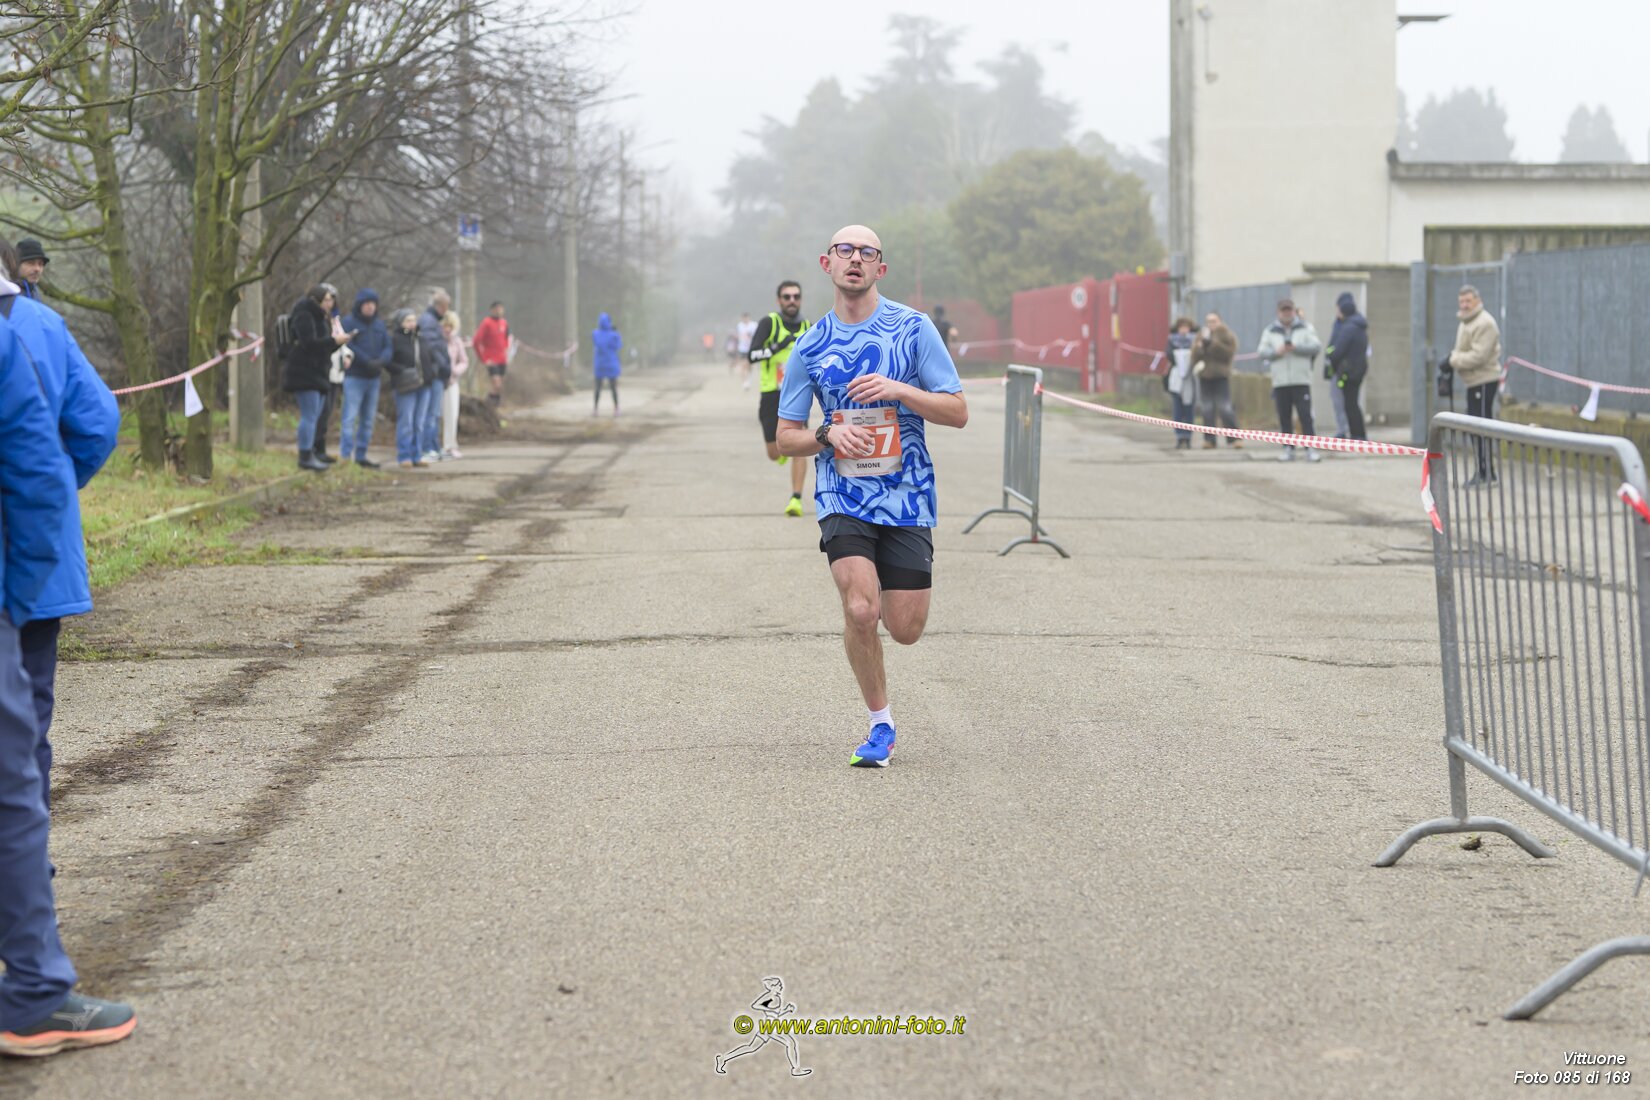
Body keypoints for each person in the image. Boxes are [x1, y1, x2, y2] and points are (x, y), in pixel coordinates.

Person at [774, 225, 967, 769]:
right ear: (827, 263)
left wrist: (899, 389)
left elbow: (957, 410)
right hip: (842, 493)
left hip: (907, 495)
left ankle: (885, 587)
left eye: (867, 253)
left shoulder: (913, 328)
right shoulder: (810, 345)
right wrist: (827, 434)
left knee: (904, 628)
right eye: (845, 251)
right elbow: (785, 437)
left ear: (880, 268)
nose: (854, 259)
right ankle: (880, 724)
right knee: (861, 608)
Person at [0, 303, 135, 1058]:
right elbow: (96, 423)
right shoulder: (39, 326)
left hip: (26, 569)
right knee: (20, 766)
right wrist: (49, 506)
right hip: (31, 574)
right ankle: (29, 945)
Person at [749, 281, 811, 516]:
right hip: (771, 394)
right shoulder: (769, 323)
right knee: (774, 453)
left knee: (799, 446)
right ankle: (781, 449)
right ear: (779, 300)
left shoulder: (808, 327)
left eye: (796, 296)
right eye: (787, 297)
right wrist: (777, 347)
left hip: (797, 394)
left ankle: (796, 499)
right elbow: (752, 355)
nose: (792, 301)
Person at [282, 284, 353, 471]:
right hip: (305, 372)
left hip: (319, 372)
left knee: (316, 416)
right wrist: (333, 340)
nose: (330, 304)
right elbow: (309, 343)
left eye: (332, 300)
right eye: (327, 299)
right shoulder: (304, 314)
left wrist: (338, 343)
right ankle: (305, 455)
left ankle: (312, 452)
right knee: (309, 415)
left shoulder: (322, 317)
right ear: (316, 299)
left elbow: (323, 347)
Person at [1443, 284, 1503, 484]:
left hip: (1484, 380)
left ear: (1478, 300)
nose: (1464, 305)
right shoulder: (1466, 321)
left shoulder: (1484, 323)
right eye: (1461, 301)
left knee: (1481, 426)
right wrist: (1454, 358)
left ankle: (1487, 472)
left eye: (1468, 301)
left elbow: (1479, 356)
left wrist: (1452, 360)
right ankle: (1482, 470)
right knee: (1474, 426)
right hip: (1473, 381)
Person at [1257, 298, 1322, 463]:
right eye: (1283, 310)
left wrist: (1296, 348)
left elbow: (1316, 346)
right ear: (1278, 312)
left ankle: (1310, 448)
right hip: (1281, 381)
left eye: (1289, 310)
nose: (1286, 313)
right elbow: (1262, 351)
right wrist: (1276, 352)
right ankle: (1288, 448)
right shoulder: (1270, 331)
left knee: (1305, 415)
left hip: (1301, 380)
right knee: (1284, 417)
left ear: (1294, 311)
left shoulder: (1306, 328)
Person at [339, 288, 390, 468]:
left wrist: (381, 361)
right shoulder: (349, 322)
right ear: (360, 305)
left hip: (373, 378)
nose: (370, 307)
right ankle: (345, 456)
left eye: (373, 304)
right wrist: (366, 361)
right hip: (355, 376)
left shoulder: (379, 325)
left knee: (368, 420)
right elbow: (348, 345)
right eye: (367, 304)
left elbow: (388, 346)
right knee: (350, 417)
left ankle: (361, 456)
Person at [1192, 312, 1241, 449]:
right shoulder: (1201, 335)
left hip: (1221, 375)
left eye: (1214, 321)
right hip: (1205, 376)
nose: (1211, 324)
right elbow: (1194, 356)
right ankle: (1209, 439)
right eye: (1209, 321)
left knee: (1225, 408)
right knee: (1207, 409)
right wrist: (1200, 347)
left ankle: (1234, 438)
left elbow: (1229, 353)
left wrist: (1213, 344)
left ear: (1220, 321)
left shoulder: (1227, 335)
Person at [1325, 292, 1370, 441]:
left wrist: (1330, 355)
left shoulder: (1348, 328)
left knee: (1349, 404)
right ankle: (1357, 434)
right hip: (1357, 370)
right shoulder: (1359, 325)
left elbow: (1337, 351)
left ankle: (1358, 435)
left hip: (1347, 372)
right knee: (1352, 403)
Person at [387, 308, 427, 469]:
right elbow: (387, 361)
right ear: (400, 323)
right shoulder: (395, 339)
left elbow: (428, 358)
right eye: (408, 321)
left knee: (419, 422)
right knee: (406, 421)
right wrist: (402, 371)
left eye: (413, 320)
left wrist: (432, 373)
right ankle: (404, 455)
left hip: (423, 384)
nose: (412, 324)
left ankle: (417, 454)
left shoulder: (420, 338)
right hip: (404, 384)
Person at [417, 289, 452, 463]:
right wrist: (443, 366)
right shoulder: (428, 321)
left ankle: (435, 446)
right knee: (431, 413)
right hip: (434, 373)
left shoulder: (432, 321)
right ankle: (427, 448)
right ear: (440, 306)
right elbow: (432, 347)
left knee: (436, 413)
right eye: (446, 306)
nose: (447, 310)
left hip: (437, 373)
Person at [1164, 317, 1197, 450]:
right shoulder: (1172, 340)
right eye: (1181, 327)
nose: (1184, 330)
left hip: (1190, 377)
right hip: (1176, 377)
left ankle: (1188, 437)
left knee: (1189, 408)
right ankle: (1179, 436)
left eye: (1186, 327)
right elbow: (1168, 354)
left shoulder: (1196, 340)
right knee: (1177, 409)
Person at [473, 301, 511, 408]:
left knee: (499, 387)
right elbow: (476, 341)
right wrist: (483, 358)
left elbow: (506, 338)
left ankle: (494, 408)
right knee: (496, 384)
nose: (499, 311)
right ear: (492, 310)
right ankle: (487, 406)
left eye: (501, 309)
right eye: (497, 309)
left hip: (502, 359)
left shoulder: (504, 323)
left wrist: (506, 351)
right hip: (491, 359)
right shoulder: (486, 323)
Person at [441, 310, 468, 458]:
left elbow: (464, 361)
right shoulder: (436, 341)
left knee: (452, 415)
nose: (447, 329)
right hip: (437, 382)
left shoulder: (456, 342)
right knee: (436, 415)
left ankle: (450, 445)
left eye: (450, 326)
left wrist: (455, 371)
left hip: (452, 382)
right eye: (445, 325)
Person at [591, 312, 622, 415]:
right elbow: (618, 346)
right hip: (611, 364)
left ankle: (595, 409)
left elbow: (595, 342)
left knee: (597, 388)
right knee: (613, 388)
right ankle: (616, 409)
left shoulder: (595, 334)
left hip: (599, 365)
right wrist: (615, 332)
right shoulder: (613, 335)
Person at [735, 312, 757, 390]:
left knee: (749, 365)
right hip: (742, 348)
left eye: (746, 318)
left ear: (749, 318)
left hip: (751, 348)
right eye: (743, 318)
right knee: (743, 365)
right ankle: (744, 382)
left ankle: (748, 379)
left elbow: (756, 335)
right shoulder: (739, 326)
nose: (745, 319)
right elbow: (738, 335)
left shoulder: (754, 325)